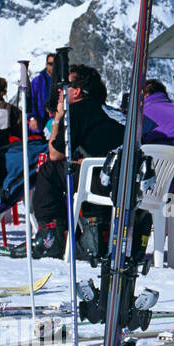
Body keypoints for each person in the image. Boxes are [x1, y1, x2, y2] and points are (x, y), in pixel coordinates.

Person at [27, 64, 125, 257]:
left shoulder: (79, 111)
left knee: (49, 170)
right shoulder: (113, 113)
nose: (60, 91)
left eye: (65, 87)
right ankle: (93, 235)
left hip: (99, 182)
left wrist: (58, 116)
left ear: (77, 91)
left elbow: (54, 154)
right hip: (123, 182)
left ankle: (52, 236)